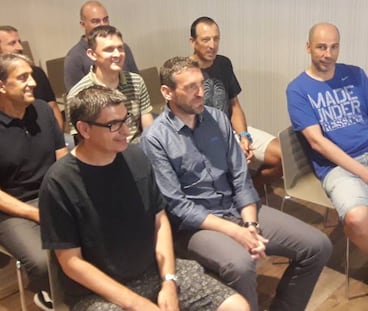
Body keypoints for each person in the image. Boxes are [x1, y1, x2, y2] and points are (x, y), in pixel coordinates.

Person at [141, 56, 332, 311]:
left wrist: (250, 224)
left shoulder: (218, 119)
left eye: (202, 84)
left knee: (318, 246)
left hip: (236, 209)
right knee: (241, 264)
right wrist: (236, 232)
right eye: (191, 87)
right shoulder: (155, 138)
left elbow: (240, 177)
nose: (201, 93)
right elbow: (177, 206)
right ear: (167, 92)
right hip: (196, 227)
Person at [39, 85, 249, 311]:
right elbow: (71, 263)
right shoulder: (59, 182)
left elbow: (160, 222)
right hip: (98, 292)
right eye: (113, 125)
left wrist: (169, 280)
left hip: (154, 272)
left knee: (237, 306)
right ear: (84, 129)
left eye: (126, 119)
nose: (126, 130)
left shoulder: (136, 157)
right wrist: (137, 303)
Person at [286, 22, 368, 309]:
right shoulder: (298, 90)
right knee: (356, 219)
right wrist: (365, 174)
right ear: (308, 47)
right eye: (321, 47)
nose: (328, 54)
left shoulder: (355, 75)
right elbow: (318, 143)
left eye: (334, 46)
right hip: (338, 168)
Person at [0, 53, 67, 310]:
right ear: (2, 85)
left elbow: (62, 158)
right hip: (12, 208)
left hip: (52, 194)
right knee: (42, 262)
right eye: (23, 77)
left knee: (100, 230)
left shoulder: (41, 110)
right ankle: (49, 295)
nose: (33, 83)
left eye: (32, 75)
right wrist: (35, 213)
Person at [189, 16, 283, 192]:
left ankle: (248, 191)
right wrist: (230, 145)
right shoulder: (185, 72)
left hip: (231, 131)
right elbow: (186, 123)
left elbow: (234, 105)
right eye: (205, 39)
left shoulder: (223, 63)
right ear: (192, 42)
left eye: (216, 38)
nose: (212, 45)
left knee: (283, 156)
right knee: (230, 162)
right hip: (204, 139)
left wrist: (244, 137)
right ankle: (238, 195)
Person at [67, 25, 153, 143]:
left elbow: (148, 125)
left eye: (120, 48)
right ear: (92, 54)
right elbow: (82, 141)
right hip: (102, 155)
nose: (117, 54)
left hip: (137, 149)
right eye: (109, 49)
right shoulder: (78, 93)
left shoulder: (136, 81)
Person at [64, 0, 139, 91]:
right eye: (96, 21)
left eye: (105, 19)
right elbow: (76, 98)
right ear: (83, 25)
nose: (102, 25)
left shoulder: (122, 48)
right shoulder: (74, 58)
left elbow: (136, 84)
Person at [0, 25, 64, 130]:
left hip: (46, 132)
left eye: (19, 42)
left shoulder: (37, 73)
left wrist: (58, 137)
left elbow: (53, 107)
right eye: (12, 43)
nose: (20, 47)